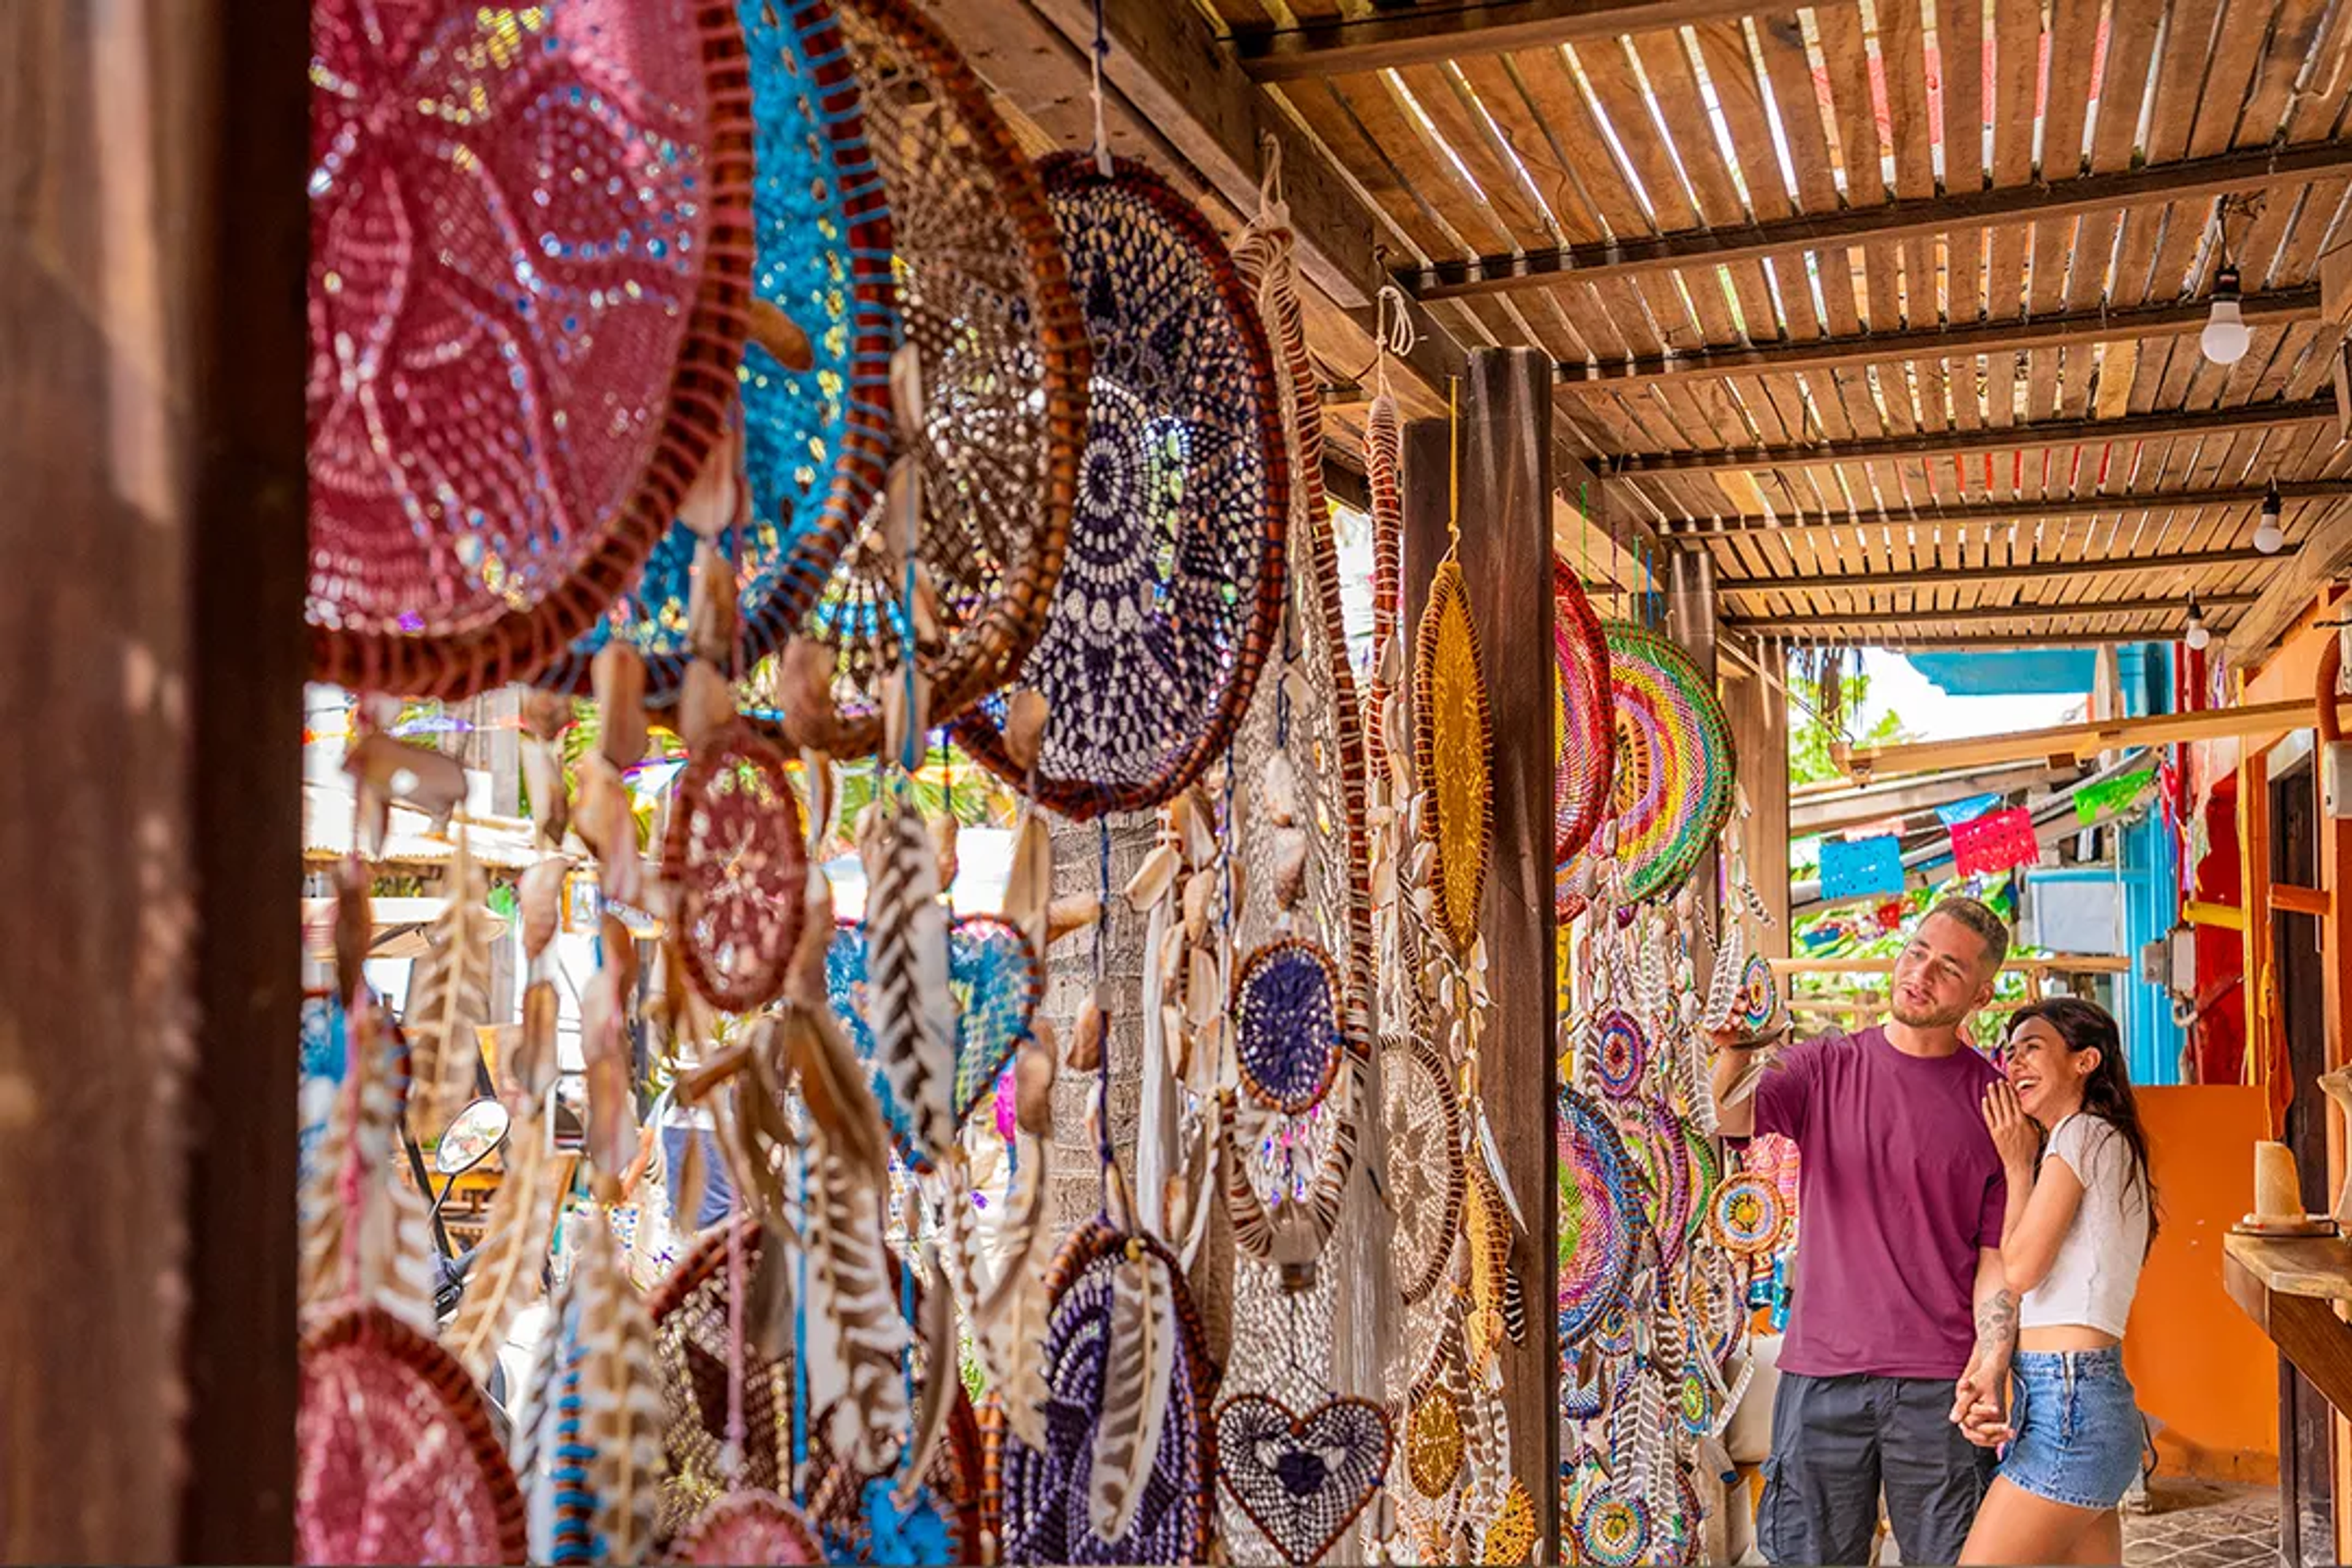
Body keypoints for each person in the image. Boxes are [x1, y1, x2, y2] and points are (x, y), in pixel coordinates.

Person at [1711, 897, 2015, 1566]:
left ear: (1982, 994)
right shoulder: (1823, 1067)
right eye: (1917, 952)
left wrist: (1992, 1362)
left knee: (1952, 1559)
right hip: (1823, 1371)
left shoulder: (1994, 1102)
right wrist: (1734, 1054)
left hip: (1941, 1384)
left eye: (1949, 969)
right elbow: (1730, 1119)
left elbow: (1997, 1258)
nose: (1921, 974)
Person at [1954, 998, 2157, 1566]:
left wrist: (2017, 1165)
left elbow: (2019, 1270)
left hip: (2071, 1405)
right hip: (2078, 1400)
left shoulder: (2082, 1135)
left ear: (2085, 1061)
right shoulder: (2099, 1141)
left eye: (2033, 1047)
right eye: (2010, 1050)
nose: (2014, 1062)